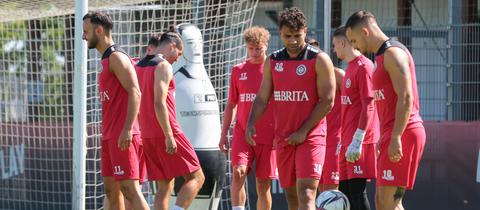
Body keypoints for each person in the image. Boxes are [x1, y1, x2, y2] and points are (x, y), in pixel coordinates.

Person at [246, 7, 336, 210]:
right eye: (288, 36)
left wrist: (303, 131)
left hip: (311, 136)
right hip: (284, 138)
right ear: (280, 34)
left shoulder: (319, 59)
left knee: (306, 192)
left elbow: (327, 101)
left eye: (298, 35)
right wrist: (251, 123)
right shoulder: (274, 60)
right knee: (292, 196)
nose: (293, 40)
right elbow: (262, 97)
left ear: (305, 31)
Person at [345, 11, 426, 210]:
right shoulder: (382, 56)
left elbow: (407, 97)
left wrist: (396, 136)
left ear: (365, 31)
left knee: (385, 202)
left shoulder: (392, 53)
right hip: (395, 132)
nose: (354, 46)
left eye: (354, 40)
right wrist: (387, 135)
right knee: (391, 203)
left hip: (405, 131)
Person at [82, 12, 149, 210]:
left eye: (86, 32)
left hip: (123, 136)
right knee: (111, 191)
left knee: (129, 189)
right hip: (110, 136)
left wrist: (127, 129)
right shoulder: (105, 60)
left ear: (99, 30)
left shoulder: (116, 57)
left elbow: (136, 92)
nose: (84, 36)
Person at [135, 31, 205, 210]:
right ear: (172, 47)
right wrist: (169, 135)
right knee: (197, 178)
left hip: (148, 134)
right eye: (179, 54)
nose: (178, 59)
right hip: (167, 130)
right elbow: (159, 103)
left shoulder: (138, 67)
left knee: (165, 185)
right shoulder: (163, 65)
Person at [218, 26, 277, 210]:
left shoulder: (274, 69)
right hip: (242, 133)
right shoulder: (238, 70)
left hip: (268, 135)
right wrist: (223, 133)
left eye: (258, 48)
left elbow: (281, 105)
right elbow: (231, 104)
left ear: (266, 45)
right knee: (238, 172)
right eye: (251, 48)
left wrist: (279, 132)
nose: (254, 52)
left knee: (262, 185)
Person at [332, 25, 379, 210]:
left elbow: (369, 104)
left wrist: (358, 139)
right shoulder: (349, 68)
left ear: (343, 42)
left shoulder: (364, 67)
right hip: (346, 141)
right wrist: (343, 138)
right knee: (345, 193)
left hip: (359, 142)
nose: (334, 50)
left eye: (335, 45)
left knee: (358, 193)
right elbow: (350, 107)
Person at [304, 37, 343, 192]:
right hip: (313, 139)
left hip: (334, 139)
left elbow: (360, 101)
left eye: (315, 51)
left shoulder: (337, 74)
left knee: (331, 191)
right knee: (316, 188)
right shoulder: (303, 79)